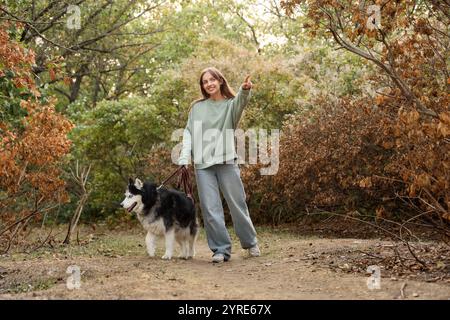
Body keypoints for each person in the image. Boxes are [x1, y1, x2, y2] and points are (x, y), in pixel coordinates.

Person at [178, 67, 260, 263]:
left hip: (226, 161)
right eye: (205, 82)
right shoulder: (197, 108)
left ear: (220, 81)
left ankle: (250, 243)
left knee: (237, 205)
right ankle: (221, 250)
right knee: (210, 209)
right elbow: (188, 133)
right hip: (203, 165)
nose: (209, 84)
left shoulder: (230, 105)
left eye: (212, 80)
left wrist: (245, 90)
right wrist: (184, 157)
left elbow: (240, 102)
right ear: (203, 86)